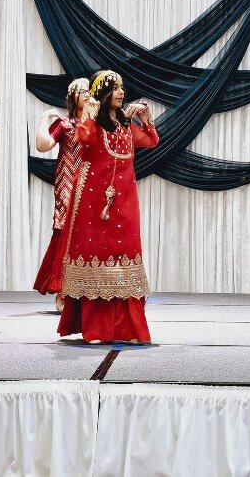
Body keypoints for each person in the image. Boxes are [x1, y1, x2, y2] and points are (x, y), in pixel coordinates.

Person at [57, 70, 158, 344]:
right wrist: (89, 111)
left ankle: (127, 329)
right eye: (115, 88)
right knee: (95, 255)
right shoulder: (95, 127)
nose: (121, 92)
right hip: (93, 202)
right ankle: (96, 328)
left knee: (124, 258)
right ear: (103, 94)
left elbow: (151, 141)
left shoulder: (126, 127)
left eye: (123, 88)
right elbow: (83, 138)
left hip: (125, 204)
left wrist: (144, 119)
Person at [33, 78, 89, 311]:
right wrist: (44, 119)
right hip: (68, 182)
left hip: (90, 182)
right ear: (73, 96)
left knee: (88, 236)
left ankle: (87, 290)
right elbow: (42, 146)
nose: (86, 95)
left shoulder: (96, 125)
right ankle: (63, 290)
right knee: (66, 234)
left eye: (89, 91)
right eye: (82, 91)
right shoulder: (66, 125)